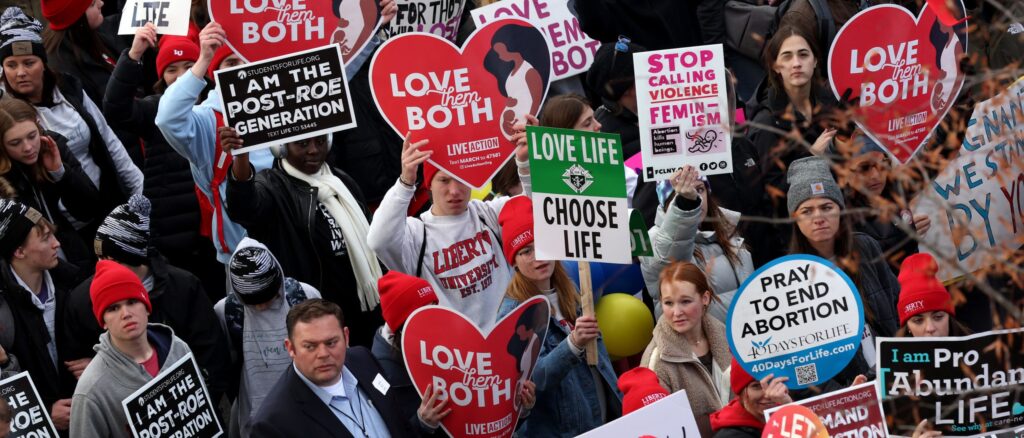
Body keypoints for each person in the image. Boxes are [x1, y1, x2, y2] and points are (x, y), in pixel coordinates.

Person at [222, 129, 384, 347]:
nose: (313, 150)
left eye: (319, 141)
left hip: (361, 311)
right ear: (281, 148)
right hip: (314, 318)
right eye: (302, 143)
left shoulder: (341, 181)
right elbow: (244, 207)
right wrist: (241, 158)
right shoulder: (272, 187)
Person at [62, 194, 229, 403]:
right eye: (99, 258)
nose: (102, 267)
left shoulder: (184, 287)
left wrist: (195, 402)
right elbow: (76, 366)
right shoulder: (82, 300)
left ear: (133, 256)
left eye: (110, 259)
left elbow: (212, 356)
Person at [103, 25, 223, 295]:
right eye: (172, 69)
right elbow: (115, 109)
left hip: (216, 228)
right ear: (160, 77)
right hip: (171, 231)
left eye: (189, 65)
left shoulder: (218, 106)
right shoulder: (155, 109)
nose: (181, 76)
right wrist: (133, 55)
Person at [497, 196, 622, 436]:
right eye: (526, 251)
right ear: (513, 262)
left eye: (542, 245)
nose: (539, 257)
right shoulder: (514, 314)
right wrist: (573, 344)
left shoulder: (572, 292)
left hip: (602, 422)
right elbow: (534, 379)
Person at [367, 134, 521, 328]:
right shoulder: (416, 233)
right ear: (429, 185)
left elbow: (538, 207)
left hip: (507, 337)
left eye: (461, 179)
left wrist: (525, 160)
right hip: (456, 351)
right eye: (444, 180)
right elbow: (378, 240)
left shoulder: (488, 213)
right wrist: (406, 182)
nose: (455, 190)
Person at [0, 7, 143, 212]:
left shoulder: (68, 87)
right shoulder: (7, 115)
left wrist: (138, 186)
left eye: (29, 63)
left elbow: (107, 138)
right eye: (11, 65)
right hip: (67, 221)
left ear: (43, 63)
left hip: (108, 200)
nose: (20, 72)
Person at [154, 22, 272, 264]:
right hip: (244, 253)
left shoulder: (281, 100)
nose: (241, 70)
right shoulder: (207, 119)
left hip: (297, 239)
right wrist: (203, 57)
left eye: (245, 60)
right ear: (215, 74)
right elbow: (167, 118)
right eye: (230, 64)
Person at [786, 156, 900, 392]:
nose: (818, 218)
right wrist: (840, 392)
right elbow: (800, 365)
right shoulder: (789, 277)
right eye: (806, 210)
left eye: (827, 207)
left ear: (840, 209)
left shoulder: (865, 247)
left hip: (896, 375)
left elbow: (897, 306)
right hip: (848, 395)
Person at [249, 299, 418, 436]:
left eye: (331, 343)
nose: (323, 353)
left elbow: (397, 423)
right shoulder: (273, 424)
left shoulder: (363, 359)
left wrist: (422, 423)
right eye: (310, 346)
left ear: (346, 336)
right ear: (290, 348)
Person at [69, 260, 193, 438]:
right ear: (103, 321)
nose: (126, 314)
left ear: (147, 307)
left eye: (132, 301)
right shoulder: (91, 392)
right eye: (113, 308)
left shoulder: (179, 348)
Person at [213, 238, 322, 438]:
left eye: (267, 297)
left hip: (311, 408)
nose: (262, 306)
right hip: (259, 419)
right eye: (253, 302)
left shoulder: (303, 296)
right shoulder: (227, 312)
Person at [0, 198, 84, 433]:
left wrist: (96, 363)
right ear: (19, 251)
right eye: (45, 238)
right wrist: (44, 413)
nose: (57, 243)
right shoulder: (3, 312)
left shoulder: (74, 286)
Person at [0, 96, 103, 269]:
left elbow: (89, 208)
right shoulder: (4, 177)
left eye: (32, 136)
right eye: (15, 143)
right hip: (31, 264)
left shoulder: (53, 144)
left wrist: (60, 172)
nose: (28, 147)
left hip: (73, 250)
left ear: (38, 125)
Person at [640, 165, 753, 321]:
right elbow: (671, 253)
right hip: (694, 344)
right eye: (682, 193)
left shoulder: (727, 231)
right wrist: (686, 205)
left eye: (700, 189)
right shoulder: (654, 240)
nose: (696, 198)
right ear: (668, 201)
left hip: (741, 339)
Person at [640, 261, 732, 437]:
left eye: (685, 301)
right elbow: (660, 427)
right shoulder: (657, 360)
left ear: (705, 298)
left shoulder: (727, 338)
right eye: (668, 303)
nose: (676, 312)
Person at [370, 270, 451, 436]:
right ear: (402, 325)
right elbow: (394, 430)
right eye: (423, 314)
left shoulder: (430, 336)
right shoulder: (384, 372)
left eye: (434, 308)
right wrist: (423, 422)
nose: (434, 319)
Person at [842, 143, 930, 272]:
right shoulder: (840, 212)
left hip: (918, 283)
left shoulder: (896, 189)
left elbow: (936, 155)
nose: (876, 175)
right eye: (864, 168)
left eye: (882, 164)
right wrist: (905, 234)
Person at [40, 0, 118, 106]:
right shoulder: (66, 71)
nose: (101, 3)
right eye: (92, 4)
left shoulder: (91, 35)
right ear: (77, 18)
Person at [483, 23, 549, 141]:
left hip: (524, 127)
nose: (500, 56)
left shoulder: (530, 72)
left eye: (502, 51)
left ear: (513, 47)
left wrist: (529, 123)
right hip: (514, 126)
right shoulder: (512, 71)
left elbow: (536, 100)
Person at [709, 359, 792, 438]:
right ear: (742, 392)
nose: (768, 394)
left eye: (775, 383)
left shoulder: (788, 408)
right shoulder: (731, 435)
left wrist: (791, 410)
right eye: (757, 386)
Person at [895, 253, 971, 337]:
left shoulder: (977, 348)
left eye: (938, 317)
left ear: (949, 318)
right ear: (908, 327)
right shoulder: (891, 350)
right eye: (918, 320)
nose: (930, 328)